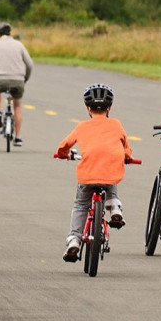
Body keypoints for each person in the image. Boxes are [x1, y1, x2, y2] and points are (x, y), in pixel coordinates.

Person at [56, 84, 133, 262]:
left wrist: (63, 155)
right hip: (109, 173)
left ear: (88, 108)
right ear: (110, 108)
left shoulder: (82, 126)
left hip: (87, 174)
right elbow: (126, 149)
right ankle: (114, 206)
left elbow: (63, 146)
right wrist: (127, 157)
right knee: (111, 167)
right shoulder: (116, 124)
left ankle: (74, 239)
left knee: (81, 204)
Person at [0, 22, 33, 146]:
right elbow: (29, 64)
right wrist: (25, 77)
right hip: (18, 80)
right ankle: (17, 137)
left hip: (1, 80)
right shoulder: (19, 45)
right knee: (17, 106)